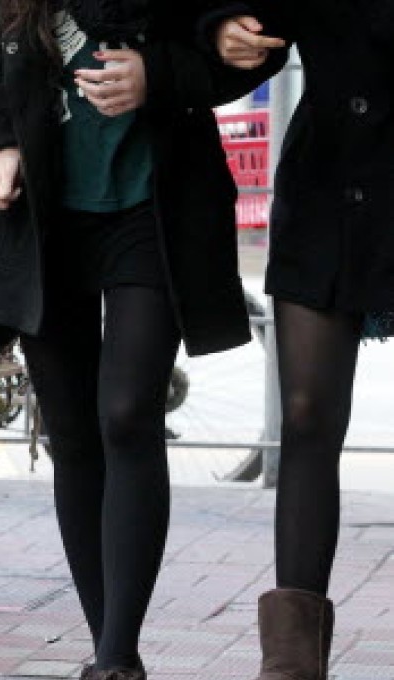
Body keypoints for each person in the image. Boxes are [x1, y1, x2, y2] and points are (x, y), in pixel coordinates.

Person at [0, 1, 278, 678]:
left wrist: (159, 73)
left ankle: (117, 658)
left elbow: (247, 40)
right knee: (71, 430)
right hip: (41, 205)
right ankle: (108, 653)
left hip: (153, 204)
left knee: (127, 413)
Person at [202, 3, 394, 678]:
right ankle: (290, 663)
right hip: (328, 188)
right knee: (307, 414)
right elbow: (254, 18)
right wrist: (223, 27)